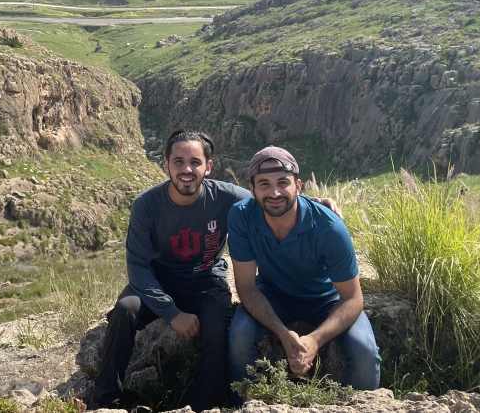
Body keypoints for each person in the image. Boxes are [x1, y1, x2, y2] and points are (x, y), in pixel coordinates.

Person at [92, 131, 341, 411]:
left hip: (206, 280)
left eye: (195, 162)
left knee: (216, 329)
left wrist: (315, 203)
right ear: (165, 165)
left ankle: (204, 405)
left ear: (208, 167)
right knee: (125, 309)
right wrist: (172, 313)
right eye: (178, 162)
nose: (187, 169)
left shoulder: (226, 197)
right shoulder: (147, 205)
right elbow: (137, 266)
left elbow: (269, 196)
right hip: (159, 281)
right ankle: (106, 400)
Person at [227, 146, 380, 404]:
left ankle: (362, 406)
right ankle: (243, 405)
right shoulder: (241, 217)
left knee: (364, 350)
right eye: (264, 184)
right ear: (252, 190)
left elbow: (353, 298)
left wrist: (314, 340)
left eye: (282, 183)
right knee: (239, 336)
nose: (274, 192)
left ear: (298, 186)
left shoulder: (329, 228)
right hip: (272, 293)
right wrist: (283, 334)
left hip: (326, 298)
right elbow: (246, 285)